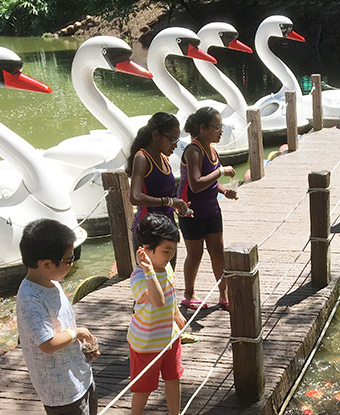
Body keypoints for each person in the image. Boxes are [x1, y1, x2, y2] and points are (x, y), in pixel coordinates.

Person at [16, 218, 100, 415]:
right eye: (69, 259)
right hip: (61, 389)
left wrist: (83, 346)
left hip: (79, 373)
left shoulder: (52, 282)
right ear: (46, 264)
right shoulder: (30, 298)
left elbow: (61, 326)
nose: (72, 263)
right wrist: (76, 332)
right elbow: (48, 344)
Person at [177, 107, 237, 311]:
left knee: (218, 252)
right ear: (202, 128)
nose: (221, 131)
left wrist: (224, 190)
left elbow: (209, 181)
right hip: (191, 210)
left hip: (211, 208)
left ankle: (224, 295)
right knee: (195, 254)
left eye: (221, 127)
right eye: (216, 127)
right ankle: (188, 295)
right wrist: (221, 171)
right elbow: (195, 184)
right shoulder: (193, 150)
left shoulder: (212, 148)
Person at [128, 214, 187, 415]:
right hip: (146, 343)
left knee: (173, 377)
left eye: (173, 250)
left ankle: (175, 413)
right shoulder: (138, 277)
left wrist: (176, 313)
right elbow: (157, 300)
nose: (170, 256)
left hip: (169, 337)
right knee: (143, 388)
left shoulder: (166, 266)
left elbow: (169, 296)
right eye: (166, 251)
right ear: (145, 249)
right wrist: (149, 271)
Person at [127, 112, 190, 268]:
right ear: (156, 135)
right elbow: (135, 197)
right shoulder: (142, 157)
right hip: (148, 230)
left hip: (167, 227)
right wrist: (168, 202)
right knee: (149, 282)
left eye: (177, 140)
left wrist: (178, 205)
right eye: (172, 140)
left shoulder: (164, 158)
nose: (175, 145)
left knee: (167, 278)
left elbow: (165, 194)